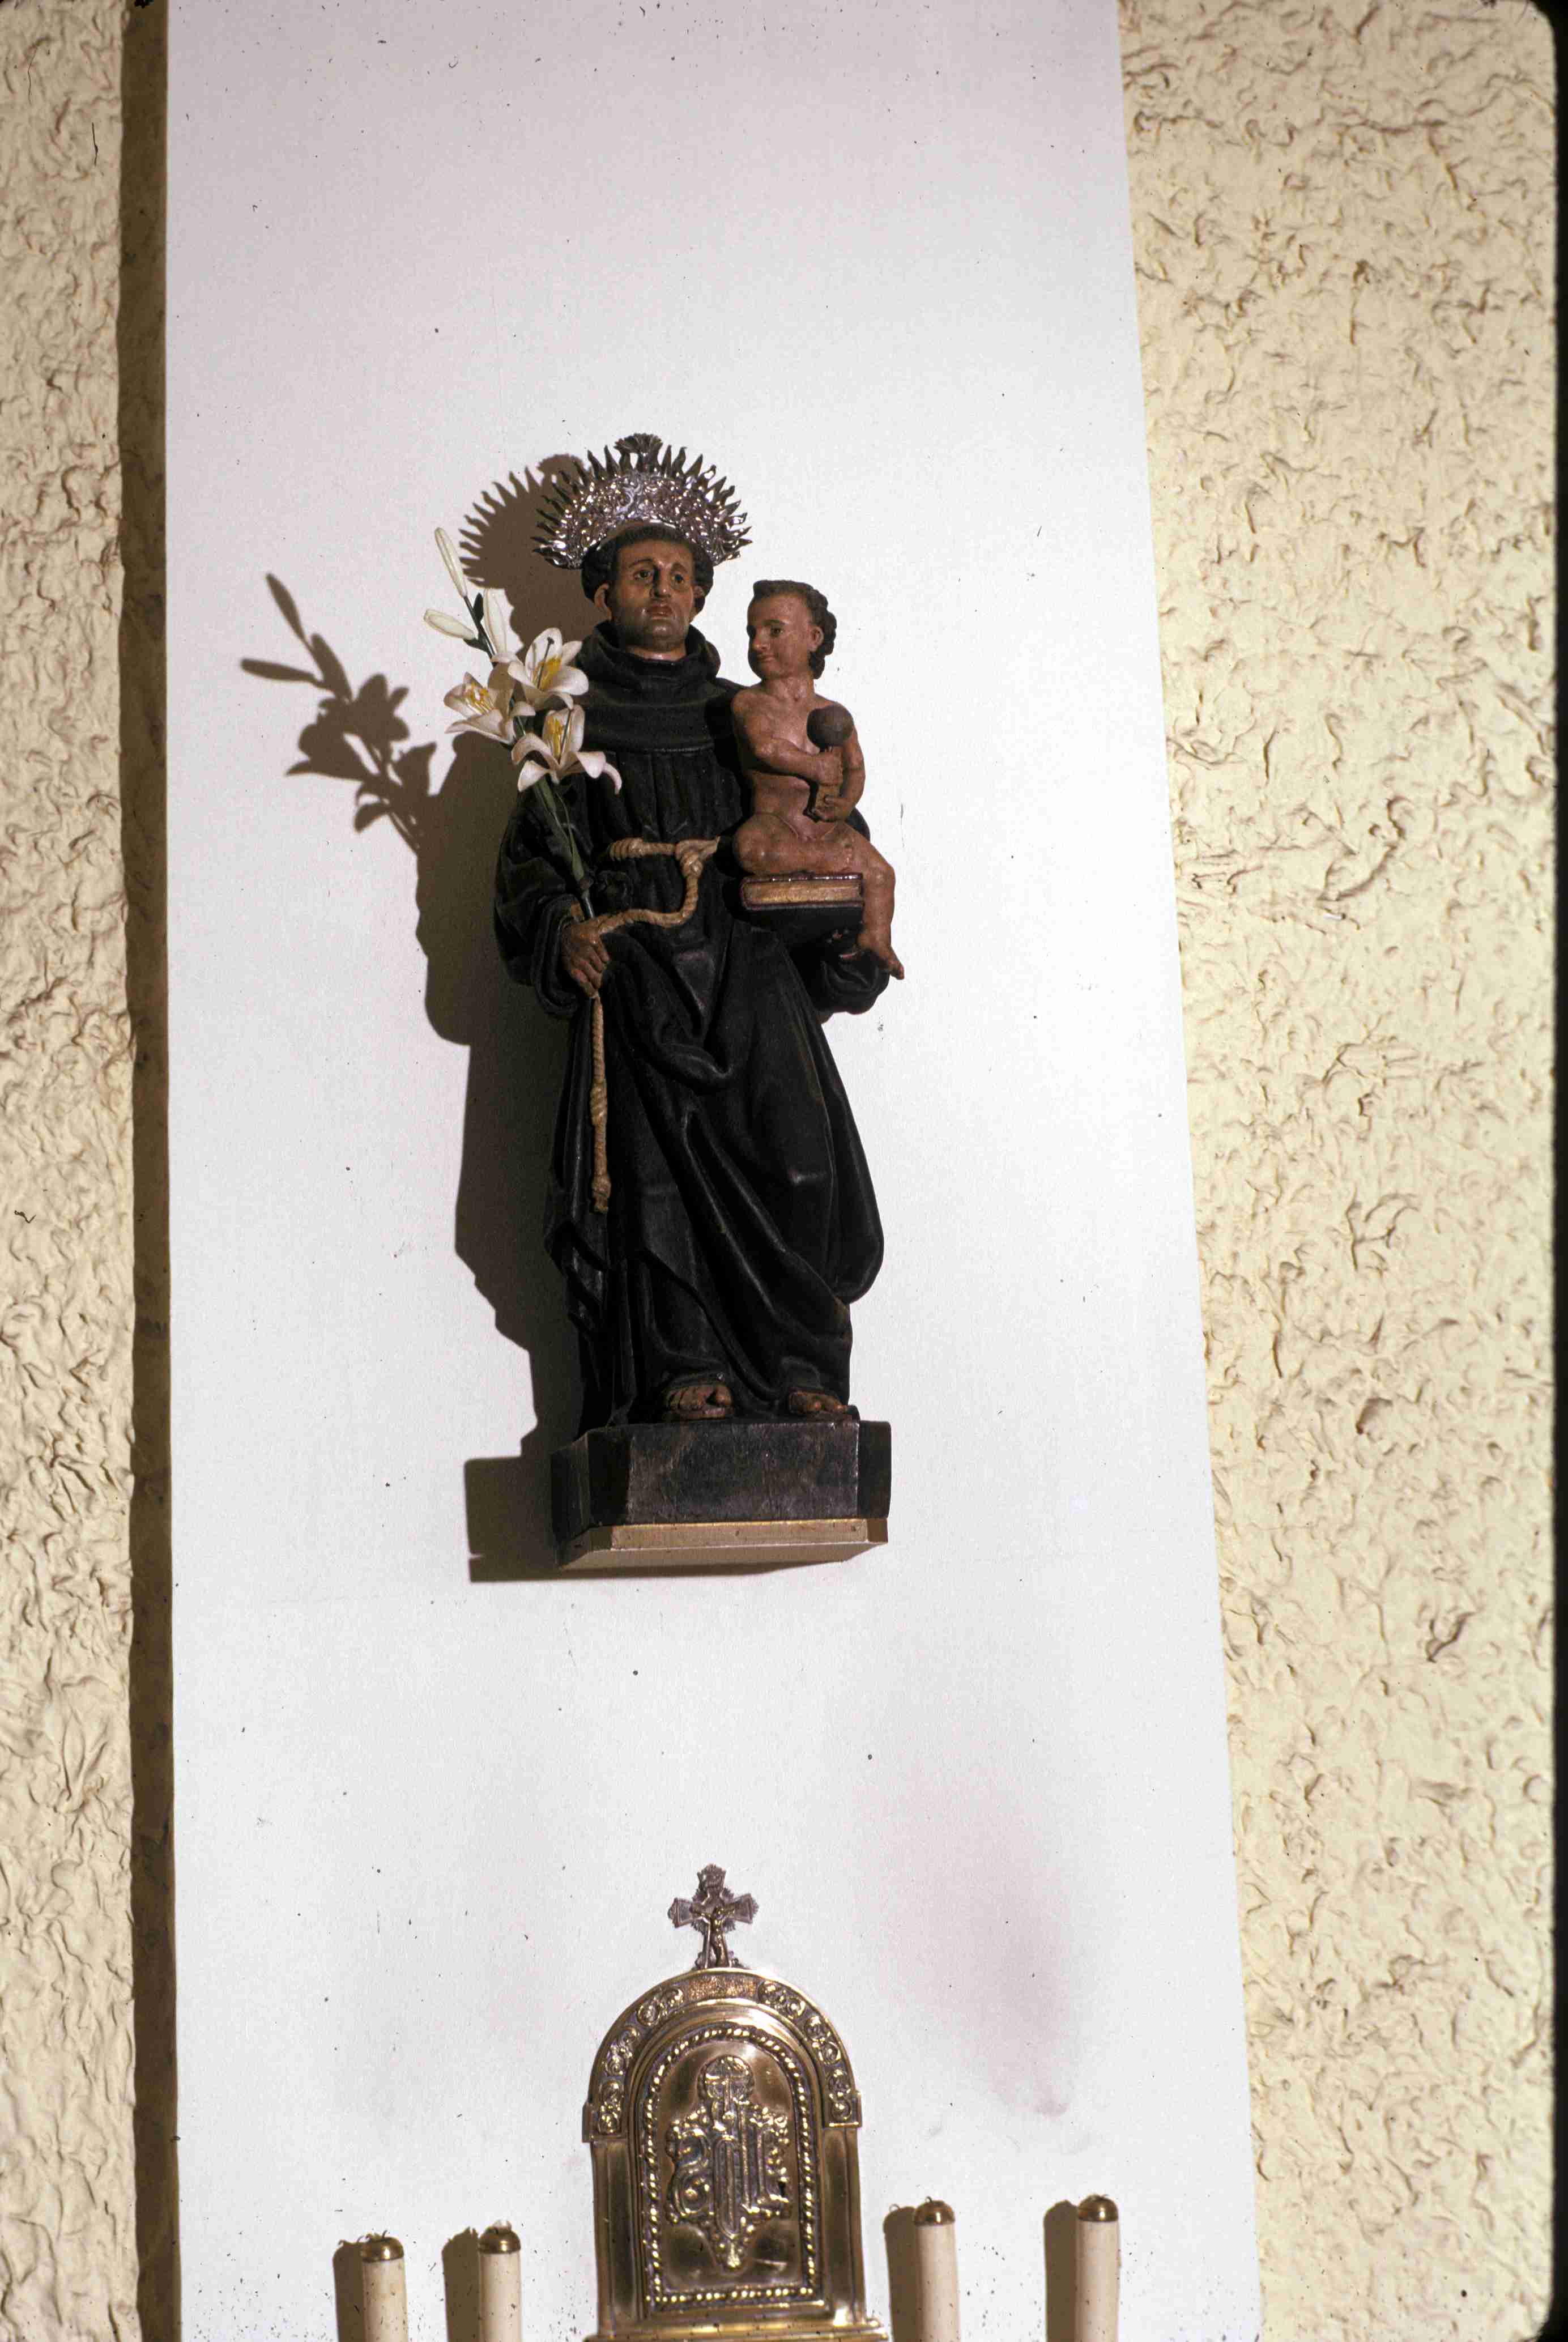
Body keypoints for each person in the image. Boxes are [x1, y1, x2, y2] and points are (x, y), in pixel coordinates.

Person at [493, 521, 890, 1428]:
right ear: (606, 595)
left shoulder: (743, 711)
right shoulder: (566, 721)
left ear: (703, 596)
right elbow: (530, 865)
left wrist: (847, 935)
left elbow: (819, 830)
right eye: (643, 575)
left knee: (799, 1154)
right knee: (652, 1171)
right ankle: (682, 1365)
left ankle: (801, 1366)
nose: (664, 590)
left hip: (747, 953)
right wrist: (564, 929)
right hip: (639, 961)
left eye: (679, 575)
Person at [731, 580, 903, 979]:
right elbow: (764, 748)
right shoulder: (750, 703)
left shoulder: (834, 714)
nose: (758, 643)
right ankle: (823, 865)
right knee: (751, 849)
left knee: (882, 874)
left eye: (774, 631)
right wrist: (813, 768)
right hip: (777, 826)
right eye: (752, 632)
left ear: (814, 638)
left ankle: (877, 937)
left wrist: (846, 803)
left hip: (828, 830)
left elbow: (856, 768)